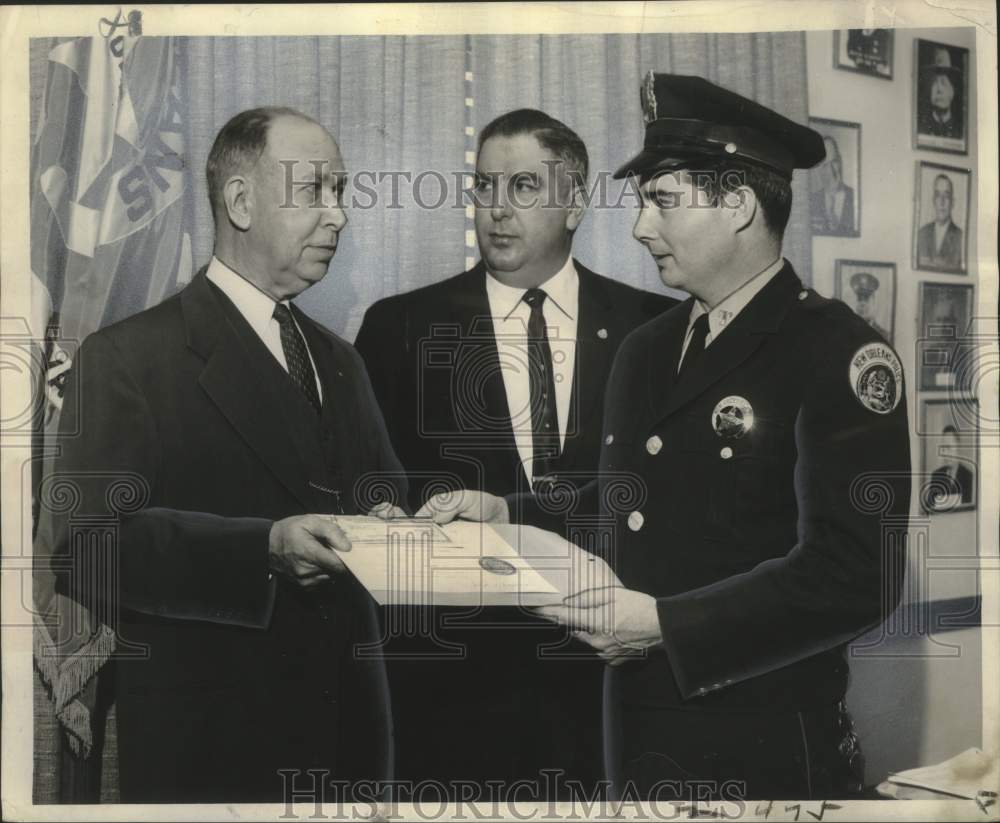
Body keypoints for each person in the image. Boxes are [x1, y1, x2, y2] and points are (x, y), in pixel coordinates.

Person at [418, 73, 912, 801]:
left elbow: (857, 574)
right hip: (638, 741)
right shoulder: (648, 349)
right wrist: (507, 511)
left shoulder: (837, 351)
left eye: (663, 200)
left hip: (766, 749)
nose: (641, 227)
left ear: (739, 204)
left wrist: (667, 625)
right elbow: (634, 501)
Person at [48, 107, 407, 802]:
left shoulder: (340, 361)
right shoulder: (126, 358)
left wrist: (398, 523)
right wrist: (262, 549)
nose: (339, 216)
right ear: (241, 203)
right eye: (315, 190)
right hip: (213, 758)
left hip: (352, 750)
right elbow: (84, 548)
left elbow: (375, 505)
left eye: (342, 192)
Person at [355, 109, 674, 794]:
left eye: (524, 185)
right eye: (484, 186)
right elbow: (364, 488)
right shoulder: (399, 327)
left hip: (613, 681)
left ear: (576, 200)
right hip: (451, 694)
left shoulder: (654, 330)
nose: (497, 209)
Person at [917, 173, 964, 271]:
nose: (942, 202)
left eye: (946, 196)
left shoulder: (960, 237)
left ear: (952, 202)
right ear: (933, 200)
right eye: (938, 195)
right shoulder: (922, 233)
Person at [809, 134, 855, 234]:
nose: (831, 171)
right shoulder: (812, 201)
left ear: (840, 161)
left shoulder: (854, 197)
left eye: (834, 162)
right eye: (825, 165)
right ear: (818, 170)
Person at [925, 425, 974, 511]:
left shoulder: (968, 476)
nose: (946, 453)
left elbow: (969, 511)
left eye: (949, 448)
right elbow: (928, 510)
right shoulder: (936, 476)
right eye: (943, 448)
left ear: (958, 448)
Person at [918, 46, 963, 139]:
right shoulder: (921, 129)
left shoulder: (960, 132)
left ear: (952, 91)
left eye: (943, 82)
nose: (939, 90)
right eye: (934, 82)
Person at [848, 270, 891, 341]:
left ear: (874, 302)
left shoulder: (884, 335)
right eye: (859, 299)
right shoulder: (847, 332)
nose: (862, 304)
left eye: (866, 299)